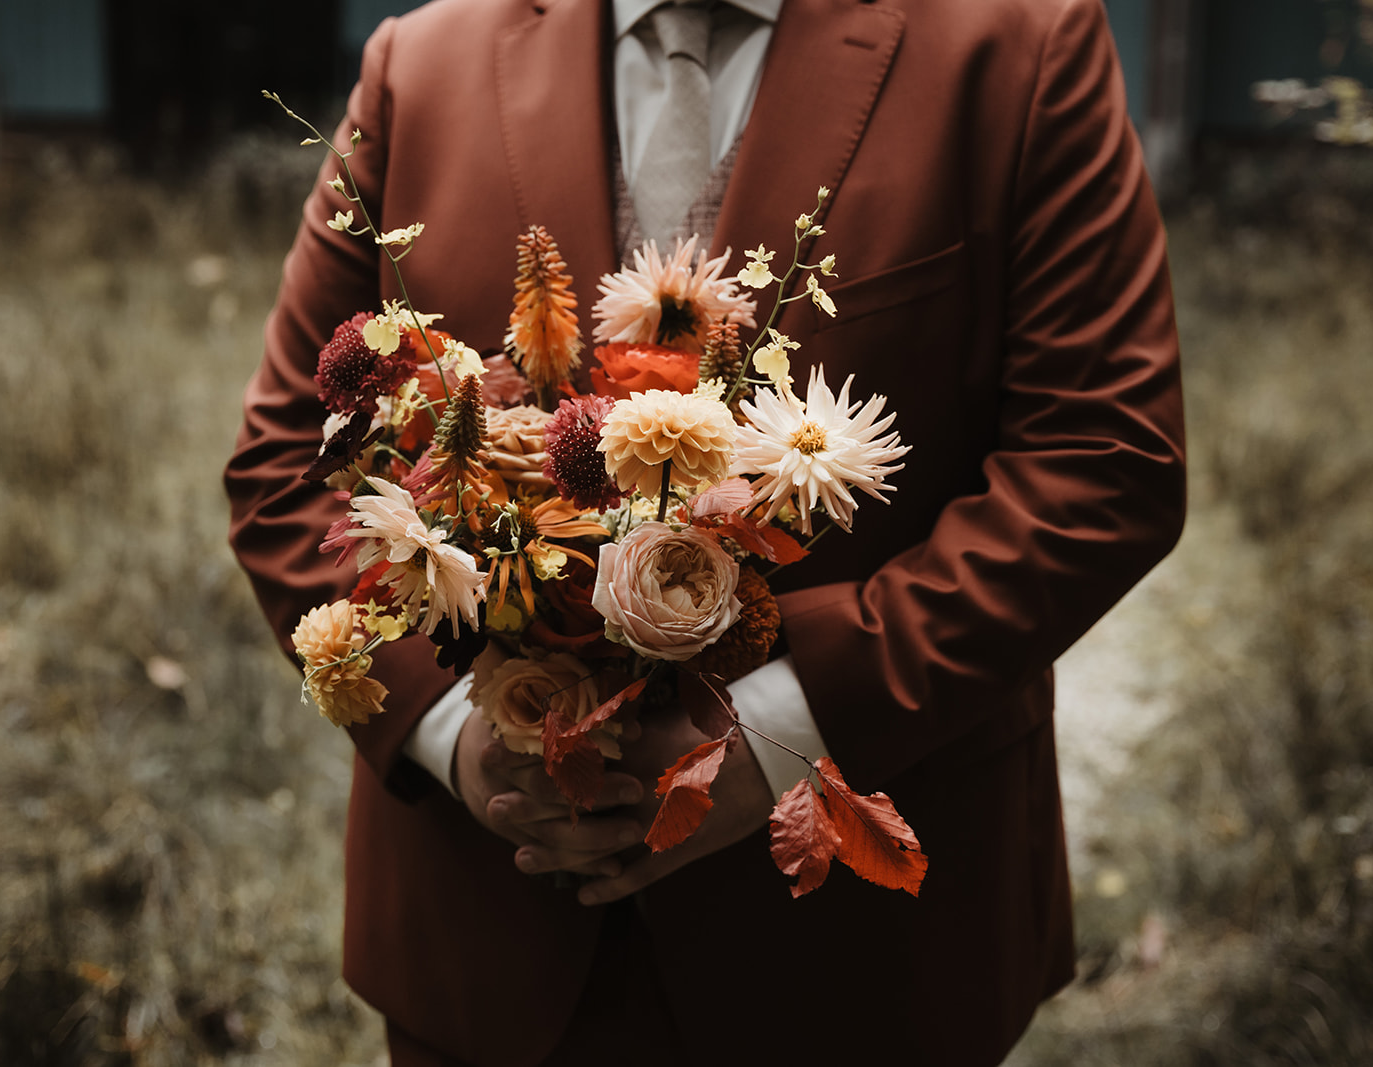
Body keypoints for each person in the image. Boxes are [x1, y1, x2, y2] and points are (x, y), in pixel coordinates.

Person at [224, 0, 1186, 1060]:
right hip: (494, 943)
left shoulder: (1022, 43)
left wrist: (786, 727)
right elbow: (286, 460)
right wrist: (458, 734)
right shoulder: (420, 61)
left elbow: (1102, 463)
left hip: (864, 964)